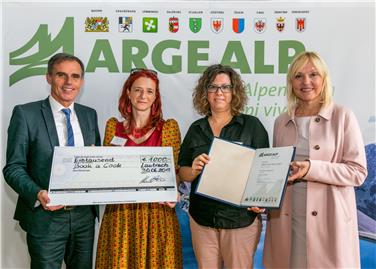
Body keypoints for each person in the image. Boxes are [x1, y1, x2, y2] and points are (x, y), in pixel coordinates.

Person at [263, 51, 368, 268]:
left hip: (330, 223)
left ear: (324, 79)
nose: (306, 82)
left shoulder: (343, 116)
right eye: (298, 76)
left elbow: (357, 172)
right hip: (286, 221)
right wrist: (260, 199)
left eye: (313, 75)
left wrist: (312, 168)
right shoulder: (281, 121)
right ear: (291, 82)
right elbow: (276, 172)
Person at [3, 53, 101, 269]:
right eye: (61, 75)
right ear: (49, 77)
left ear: (81, 82)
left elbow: (96, 164)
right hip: (45, 218)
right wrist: (38, 193)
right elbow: (13, 168)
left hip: (84, 218)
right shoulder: (26, 114)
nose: (69, 82)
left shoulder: (89, 116)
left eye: (75, 76)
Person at [178, 64, 269, 268]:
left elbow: (265, 171)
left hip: (240, 220)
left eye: (225, 87)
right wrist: (193, 170)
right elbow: (183, 172)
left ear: (234, 92)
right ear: (205, 92)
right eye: (213, 87)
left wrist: (261, 201)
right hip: (202, 219)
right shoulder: (196, 129)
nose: (219, 92)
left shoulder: (252, 126)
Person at [95, 68, 183, 269]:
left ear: (155, 97)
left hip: (157, 215)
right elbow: (107, 172)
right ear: (128, 92)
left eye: (150, 91)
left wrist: (174, 191)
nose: (143, 96)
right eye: (138, 90)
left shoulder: (168, 128)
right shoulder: (113, 127)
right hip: (120, 216)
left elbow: (173, 173)